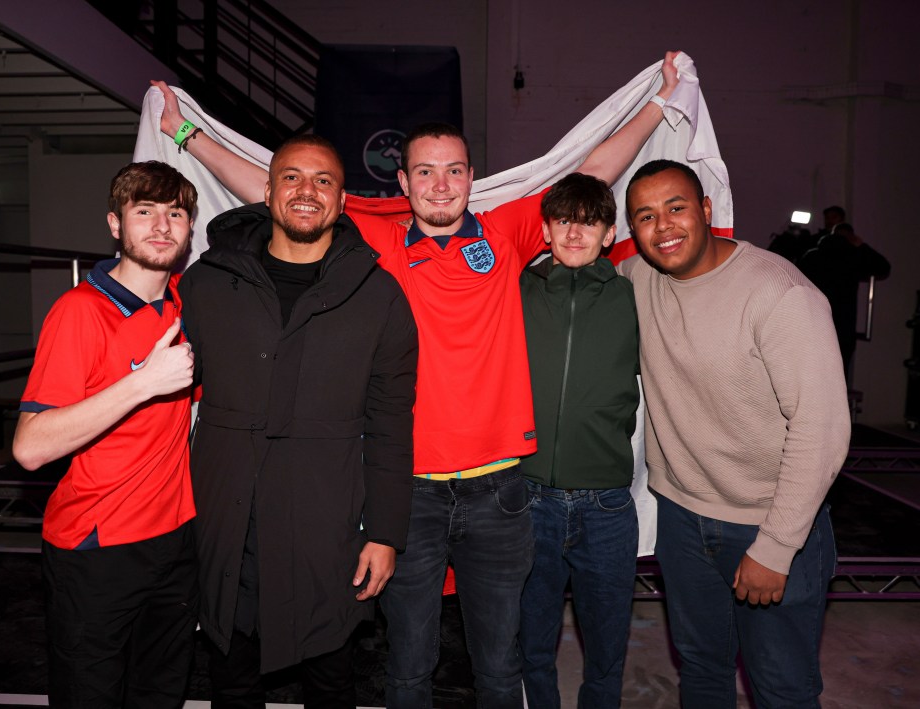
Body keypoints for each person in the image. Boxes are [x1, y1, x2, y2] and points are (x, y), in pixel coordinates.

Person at [152, 51, 679, 707]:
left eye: (452, 170)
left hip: (499, 492)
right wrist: (184, 133)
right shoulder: (372, 243)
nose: (438, 184)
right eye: (424, 171)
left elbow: (594, 170)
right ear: (402, 181)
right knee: (407, 667)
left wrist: (660, 103)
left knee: (496, 667)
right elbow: (280, 185)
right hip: (409, 495)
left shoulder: (510, 232)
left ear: (469, 178)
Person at [177, 134, 418, 707]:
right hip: (225, 517)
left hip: (324, 522)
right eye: (291, 177)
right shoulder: (207, 283)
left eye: (323, 181)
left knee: (331, 678)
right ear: (267, 190)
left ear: (340, 203)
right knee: (231, 679)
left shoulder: (379, 297)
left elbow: (390, 425)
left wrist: (385, 533)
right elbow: (162, 398)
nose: (306, 191)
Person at [620, 159, 850, 707]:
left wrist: (776, 547)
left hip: (767, 521)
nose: (664, 226)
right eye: (646, 216)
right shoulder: (636, 278)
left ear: (706, 210)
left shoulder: (780, 295)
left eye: (676, 208)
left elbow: (822, 429)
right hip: (681, 519)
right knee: (701, 671)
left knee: (782, 688)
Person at [12, 161, 199, 707]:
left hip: (175, 539)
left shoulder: (187, 302)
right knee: (89, 696)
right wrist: (142, 384)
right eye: (145, 213)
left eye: (175, 214)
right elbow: (30, 447)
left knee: (160, 693)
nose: (162, 226)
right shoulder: (80, 312)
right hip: (97, 547)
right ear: (116, 225)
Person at [518, 173, 640, 708]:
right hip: (526, 499)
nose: (574, 233)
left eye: (589, 222)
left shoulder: (636, 297)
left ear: (609, 234)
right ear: (545, 229)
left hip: (607, 505)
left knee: (607, 651)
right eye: (564, 220)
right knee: (530, 647)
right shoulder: (515, 290)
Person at [798, 219, 891, 382]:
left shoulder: (812, 255)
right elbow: (883, 267)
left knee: (806, 376)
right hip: (843, 327)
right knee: (837, 379)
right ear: (850, 237)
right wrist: (861, 245)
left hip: (811, 322)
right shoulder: (853, 256)